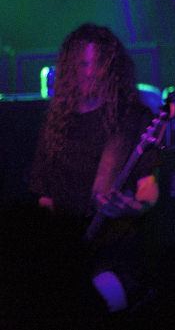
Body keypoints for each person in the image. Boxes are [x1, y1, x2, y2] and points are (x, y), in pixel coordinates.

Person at [29, 23, 161, 312]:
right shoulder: (55, 127)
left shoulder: (133, 119)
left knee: (94, 307)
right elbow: (45, 200)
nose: (89, 73)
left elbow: (149, 188)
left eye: (97, 64)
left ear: (112, 68)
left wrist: (132, 206)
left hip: (117, 253)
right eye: (81, 64)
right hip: (68, 258)